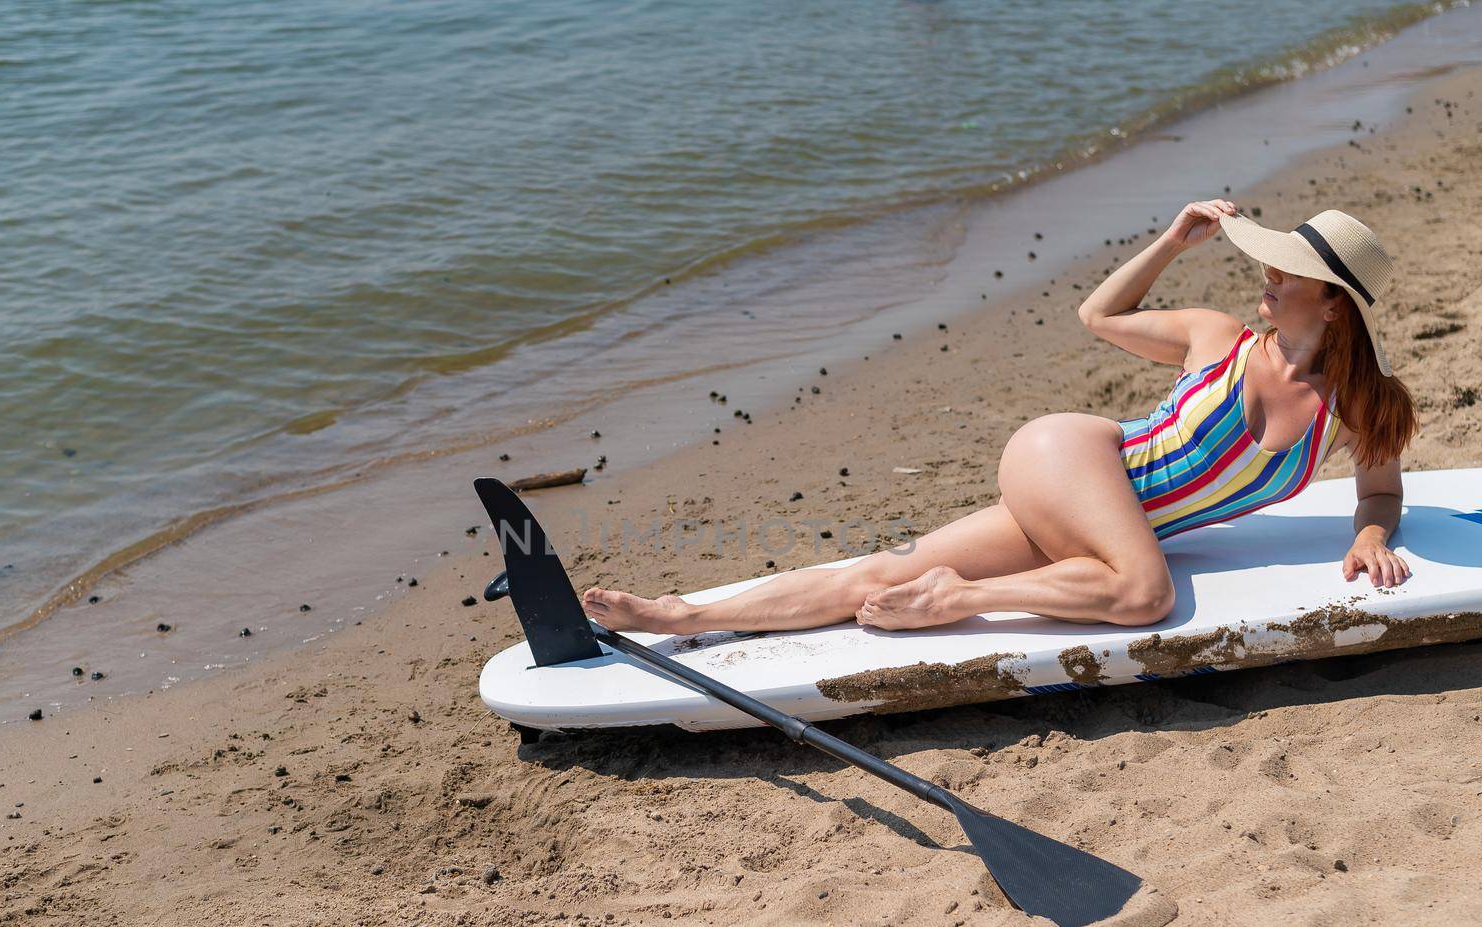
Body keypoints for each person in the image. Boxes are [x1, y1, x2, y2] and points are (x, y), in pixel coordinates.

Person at [582, 199, 1417, 636]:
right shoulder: (1220, 337)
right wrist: (1170, 243)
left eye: (1288, 272)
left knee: (877, 577)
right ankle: (955, 598)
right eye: (1271, 262)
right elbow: (1098, 314)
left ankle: (679, 613)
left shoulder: (1360, 408)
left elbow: (1379, 495)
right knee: (1143, 593)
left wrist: (1371, 536)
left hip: (1098, 525)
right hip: (1076, 461)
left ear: (1335, 308)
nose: (1266, 277)